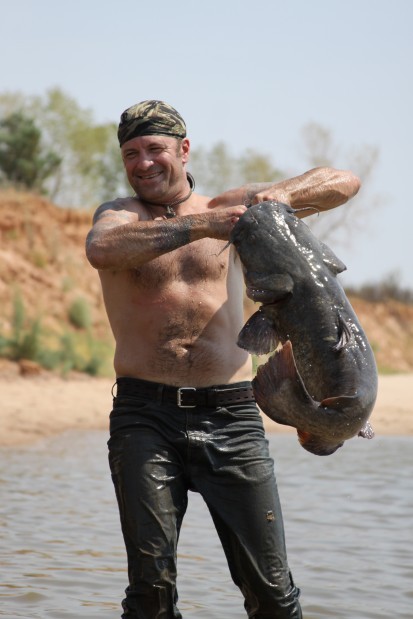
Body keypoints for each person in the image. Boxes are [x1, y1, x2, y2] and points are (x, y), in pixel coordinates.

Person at [86, 99, 360, 619]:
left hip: (233, 415)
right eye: (131, 153)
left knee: (274, 595)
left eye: (155, 149)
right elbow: (102, 250)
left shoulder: (231, 204)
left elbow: (342, 181)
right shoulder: (120, 216)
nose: (143, 162)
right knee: (150, 594)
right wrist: (203, 226)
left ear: (184, 151)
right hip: (145, 417)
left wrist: (270, 202)